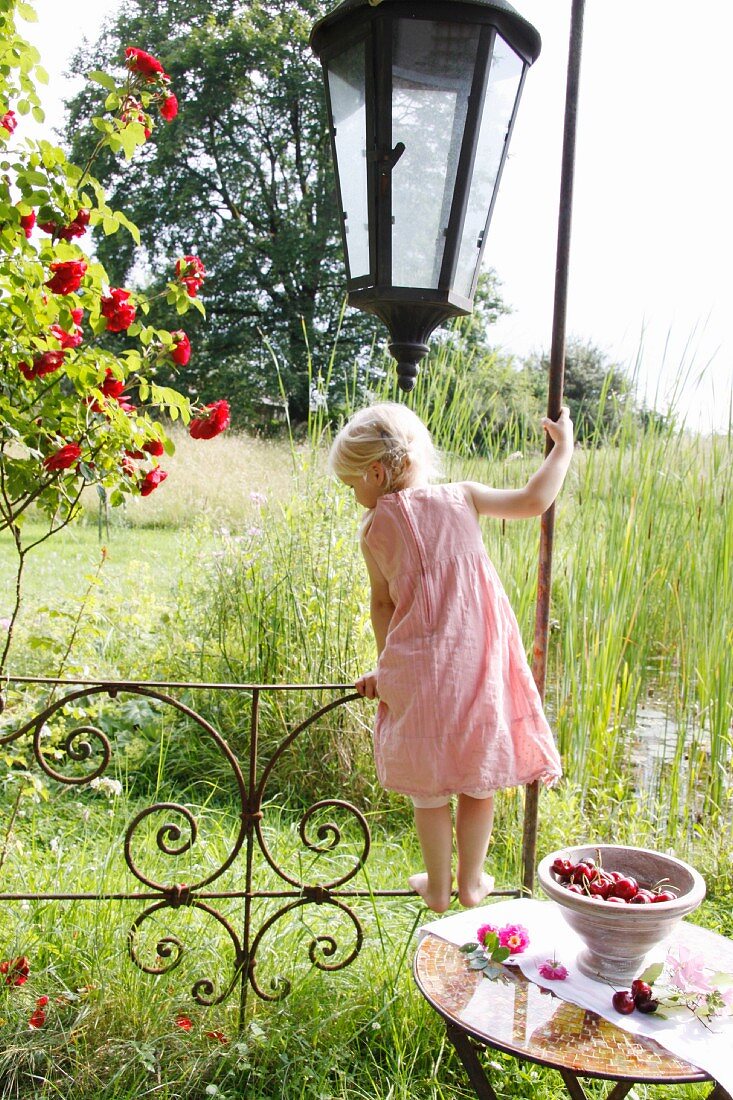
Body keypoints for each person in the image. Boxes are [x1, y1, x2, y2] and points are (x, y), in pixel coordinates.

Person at [328, 401, 574, 914]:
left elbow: (384, 605)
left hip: (417, 670)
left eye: (353, 486)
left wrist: (384, 667)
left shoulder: (374, 530)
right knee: (476, 777)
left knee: (430, 786)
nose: (354, 498)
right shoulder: (462, 497)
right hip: (475, 662)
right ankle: (472, 881)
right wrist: (563, 449)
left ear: (376, 472)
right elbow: (533, 499)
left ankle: (437, 888)